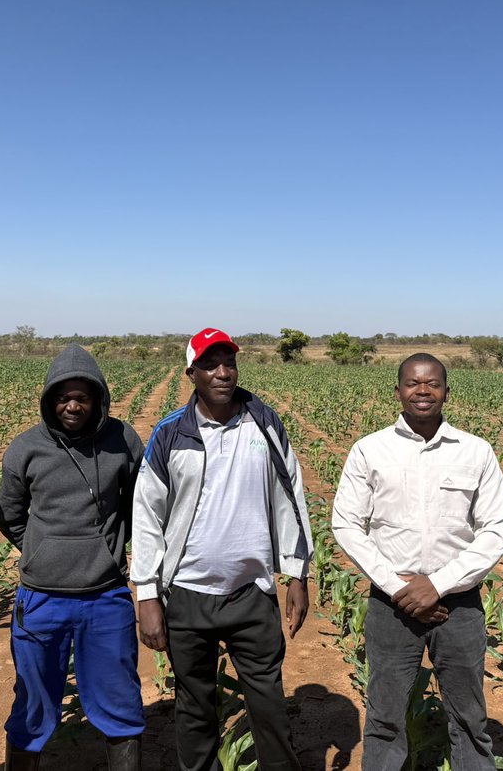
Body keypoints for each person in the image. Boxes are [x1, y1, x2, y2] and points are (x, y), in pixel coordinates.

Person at [132, 327, 313, 771]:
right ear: (191, 373)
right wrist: (147, 595)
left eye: (229, 363)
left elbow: (291, 495)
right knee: (194, 706)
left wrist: (297, 574)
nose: (222, 373)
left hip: (252, 591)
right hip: (188, 593)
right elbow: (147, 515)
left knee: (268, 705)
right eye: (210, 365)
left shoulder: (264, 423)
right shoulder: (171, 433)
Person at [332, 353, 503, 771]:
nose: (423, 390)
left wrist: (438, 584)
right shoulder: (370, 450)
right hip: (391, 604)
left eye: (432, 383)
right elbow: (346, 523)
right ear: (398, 391)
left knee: (469, 717)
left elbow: (497, 526)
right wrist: (400, 587)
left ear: (447, 392)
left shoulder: (475, 451)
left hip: (459, 605)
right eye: (413, 383)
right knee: (384, 718)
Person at [0, 345, 145, 771]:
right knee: (33, 700)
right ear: (50, 400)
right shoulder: (26, 448)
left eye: (83, 397)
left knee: (120, 697)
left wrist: (108, 546)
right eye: (63, 398)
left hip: (106, 595)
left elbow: (138, 505)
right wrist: (43, 550)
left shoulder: (122, 440)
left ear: (98, 398)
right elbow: (11, 516)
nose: (73, 406)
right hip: (41, 599)